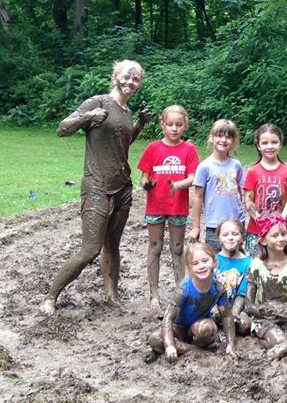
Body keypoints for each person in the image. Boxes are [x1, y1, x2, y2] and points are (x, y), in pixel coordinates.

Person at [42, 60, 151, 315]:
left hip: (123, 186)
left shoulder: (126, 112)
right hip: (97, 185)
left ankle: (112, 295)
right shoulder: (97, 102)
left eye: (136, 79)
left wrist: (139, 126)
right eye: (127, 76)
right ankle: (50, 296)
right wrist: (88, 117)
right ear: (115, 76)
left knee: (113, 245)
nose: (131, 82)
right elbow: (62, 129)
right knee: (91, 248)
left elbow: (122, 144)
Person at [137, 105, 200, 310]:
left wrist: (179, 185)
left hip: (178, 207)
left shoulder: (189, 150)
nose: (174, 129)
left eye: (179, 125)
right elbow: (144, 176)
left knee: (177, 248)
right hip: (155, 206)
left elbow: (192, 177)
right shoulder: (153, 148)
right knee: (155, 247)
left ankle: (181, 291)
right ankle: (153, 295)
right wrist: (146, 184)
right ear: (162, 125)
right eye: (170, 124)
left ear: (185, 126)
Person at [147, 243, 235, 362]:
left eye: (205, 261)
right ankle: (196, 350)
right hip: (179, 329)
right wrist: (169, 345)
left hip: (200, 327)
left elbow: (227, 316)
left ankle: (186, 348)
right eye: (195, 263)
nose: (201, 266)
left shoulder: (218, 288)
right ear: (189, 268)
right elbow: (168, 318)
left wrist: (230, 343)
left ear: (214, 262)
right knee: (155, 339)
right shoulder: (184, 289)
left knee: (208, 328)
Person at [246, 216, 287, 348]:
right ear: (263, 240)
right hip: (264, 319)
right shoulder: (256, 265)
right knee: (279, 342)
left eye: (284, 234)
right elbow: (248, 303)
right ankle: (261, 339)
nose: (281, 239)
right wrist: (260, 310)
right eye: (275, 236)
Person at [190, 119, 246, 252]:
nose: (223, 140)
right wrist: (196, 227)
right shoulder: (204, 167)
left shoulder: (236, 165)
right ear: (211, 137)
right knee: (215, 262)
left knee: (237, 259)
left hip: (236, 222)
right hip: (214, 224)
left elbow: (240, 192)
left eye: (228, 137)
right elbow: (197, 198)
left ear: (233, 141)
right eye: (219, 135)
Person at [243, 123, 287, 258]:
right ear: (258, 145)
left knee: (279, 265)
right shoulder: (252, 171)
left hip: (280, 232)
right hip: (256, 230)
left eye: (274, 142)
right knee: (255, 266)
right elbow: (248, 200)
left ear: (280, 144)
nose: (270, 146)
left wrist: (281, 220)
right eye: (265, 143)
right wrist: (260, 220)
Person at [213, 218, 253, 336]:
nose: (230, 238)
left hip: (235, 306)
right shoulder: (213, 260)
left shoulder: (248, 263)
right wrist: (214, 308)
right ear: (219, 238)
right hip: (215, 306)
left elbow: (242, 293)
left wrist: (234, 313)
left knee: (245, 325)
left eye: (235, 234)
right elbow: (209, 289)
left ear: (242, 238)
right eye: (225, 234)